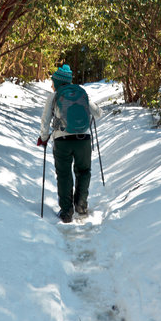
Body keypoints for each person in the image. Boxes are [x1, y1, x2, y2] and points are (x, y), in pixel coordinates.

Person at [37, 64, 103, 223]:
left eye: (53, 82)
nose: (52, 85)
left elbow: (45, 121)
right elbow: (99, 113)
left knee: (64, 174)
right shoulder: (81, 93)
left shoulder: (54, 96)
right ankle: (81, 205)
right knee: (84, 171)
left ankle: (66, 212)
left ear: (58, 82)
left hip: (62, 140)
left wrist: (44, 138)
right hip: (84, 140)